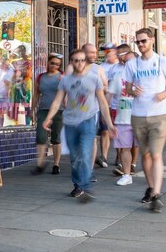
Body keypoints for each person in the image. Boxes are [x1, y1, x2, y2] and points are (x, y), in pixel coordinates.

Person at [43, 49, 117, 202]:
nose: (79, 63)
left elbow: (103, 102)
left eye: (82, 60)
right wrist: (48, 118)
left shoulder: (94, 78)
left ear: (86, 61)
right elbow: (57, 101)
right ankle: (78, 184)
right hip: (70, 122)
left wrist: (109, 124)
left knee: (84, 153)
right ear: (71, 62)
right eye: (76, 60)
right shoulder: (65, 80)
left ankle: (84, 185)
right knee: (75, 157)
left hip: (88, 121)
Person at [123, 29, 166, 212]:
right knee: (145, 155)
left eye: (143, 41)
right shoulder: (132, 64)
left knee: (155, 154)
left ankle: (157, 194)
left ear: (152, 40)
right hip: (138, 115)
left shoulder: (163, 61)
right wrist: (132, 91)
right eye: (137, 42)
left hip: (159, 115)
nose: (140, 45)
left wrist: (164, 94)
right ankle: (151, 187)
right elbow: (128, 88)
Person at [32, 54, 65, 175]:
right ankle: (40, 163)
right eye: (52, 63)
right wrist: (32, 110)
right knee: (40, 136)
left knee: (56, 138)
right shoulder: (40, 77)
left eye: (57, 64)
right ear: (47, 63)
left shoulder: (62, 77)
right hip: (43, 109)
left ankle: (56, 164)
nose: (54, 66)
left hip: (58, 110)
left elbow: (66, 93)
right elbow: (36, 94)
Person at [110, 45, 138, 186]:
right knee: (124, 146)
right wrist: (108, 115)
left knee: (145, 148)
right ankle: (127, 175)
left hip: (141, 116)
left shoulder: (144, 77)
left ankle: (150, 174)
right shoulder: (118, 76)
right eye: (129, 61)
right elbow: (109, 96)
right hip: (122, 117)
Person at [96, 43, 119, 167]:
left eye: (109, 51)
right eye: (105, 52)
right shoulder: (101, 67)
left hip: (118, 104)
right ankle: (104, 156)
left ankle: (118, 156)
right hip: (104, 103)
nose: (107, 54)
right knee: (104, 130)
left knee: (117, 131)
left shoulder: (120, 66)